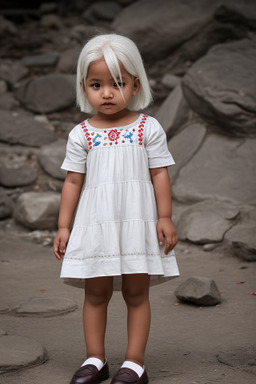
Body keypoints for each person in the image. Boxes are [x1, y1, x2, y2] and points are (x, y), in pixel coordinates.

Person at [53, 33, 179, 384]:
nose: (106, 92)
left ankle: (134, 363)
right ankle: (95, 359)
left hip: (136, 223)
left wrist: (165, 217)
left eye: (118, 83)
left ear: (136, 85)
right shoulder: (83, 134)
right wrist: (64, 226)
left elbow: (159, 175)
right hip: (97, 225)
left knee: (137, 293)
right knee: (96, 293)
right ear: (84, 87)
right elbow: (73, 182)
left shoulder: (146, 128)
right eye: (96, 84)